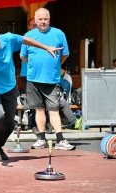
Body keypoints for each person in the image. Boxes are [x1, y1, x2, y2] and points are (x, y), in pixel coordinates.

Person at [0, 22, 62, 163]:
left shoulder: (8, 39)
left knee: (10, 123)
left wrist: (46, 48)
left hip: (9, 87)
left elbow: (25, 40)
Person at [20, 8, 75, 150]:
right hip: (33, 79)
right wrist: (35, 66)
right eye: (40, 19)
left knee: (54, 109)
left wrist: (55, 66)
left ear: (49, 20)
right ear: (35, 20)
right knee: (38, 110)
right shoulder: (28, 36)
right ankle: (41, 139)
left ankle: (60, 140)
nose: (43, 22)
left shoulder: (58, 34)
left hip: (52, 79)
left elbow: (65, 54)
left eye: (45, 19)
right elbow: (23, 56)